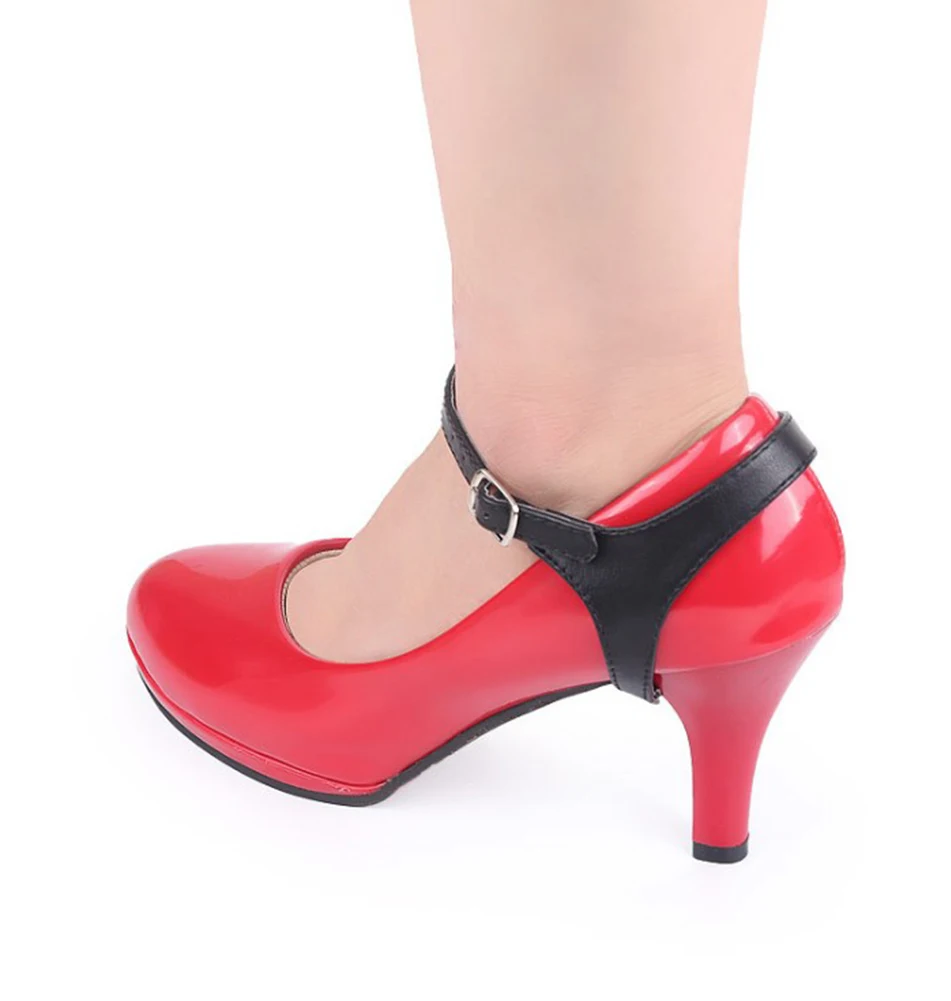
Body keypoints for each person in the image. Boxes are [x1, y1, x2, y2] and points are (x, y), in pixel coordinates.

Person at [127, 1, 844, 863]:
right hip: (731, 520)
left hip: (563, 507)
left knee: (564, 393)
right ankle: (677, 464)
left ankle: (557, 442)